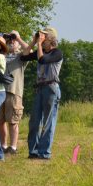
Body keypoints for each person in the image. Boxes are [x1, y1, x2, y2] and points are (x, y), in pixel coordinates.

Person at [20, 27, 63, 160]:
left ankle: (44, 152)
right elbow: (24, 56)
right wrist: (33, 42)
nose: (41, 39)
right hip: (39, 88)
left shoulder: (57, 53)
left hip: (51, 88)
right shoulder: (40, 50)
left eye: (44, 36)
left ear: (50, 38)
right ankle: (33, 151)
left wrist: (39, 44)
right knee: (34, 121)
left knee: (48, 121)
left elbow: (42, 60)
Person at [0, 31, 30, 155]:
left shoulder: (21, 56)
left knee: (13, 121)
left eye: (13, 40)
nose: (11, 41)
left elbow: (29, 50)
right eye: (9, 40)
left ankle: (13, 147)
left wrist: (18, 38)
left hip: (14, 92)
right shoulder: (1, 55)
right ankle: (3, 145)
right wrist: (2, 41)